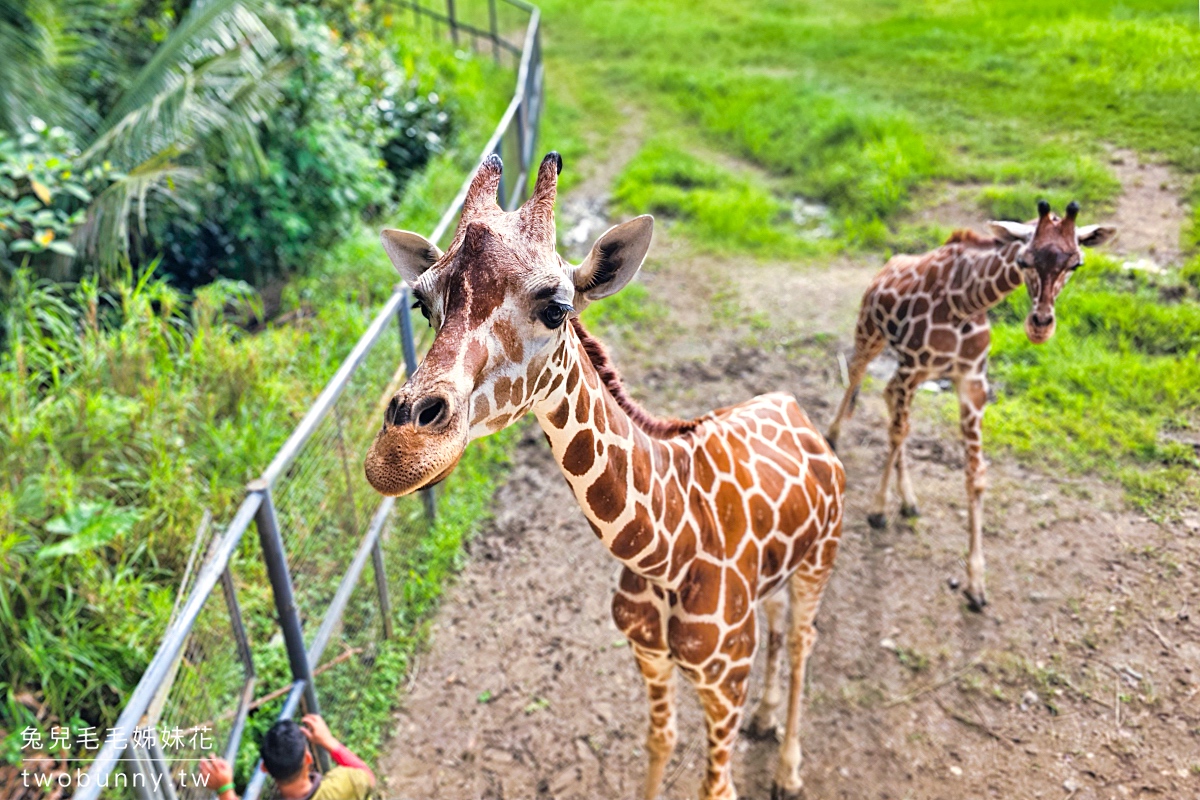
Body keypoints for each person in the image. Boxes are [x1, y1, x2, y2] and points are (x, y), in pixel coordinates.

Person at [198, 714, 376, 800]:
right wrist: (329, 742)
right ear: (308, 758)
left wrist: (225, 788)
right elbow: (367, 775)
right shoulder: (343, 783)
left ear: (264, 768)